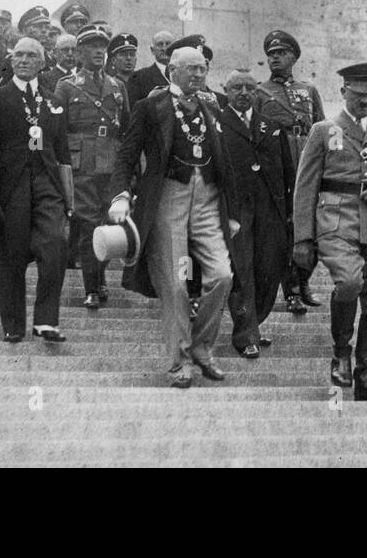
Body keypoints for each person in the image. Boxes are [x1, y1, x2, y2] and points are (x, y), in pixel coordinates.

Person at [109, 44, 239, 389]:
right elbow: (126, 155)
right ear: (173, 70)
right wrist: (121, 194)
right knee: (176, 283)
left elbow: (226, 162)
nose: (199, 74)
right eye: (192, 68)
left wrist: (234, 213)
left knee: (222, 275)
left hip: (208, 200)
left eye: (203, 69)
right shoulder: (151, 105)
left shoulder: (212, 106)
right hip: (169, 199)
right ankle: (178, 361)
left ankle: (202, 347)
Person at [292, 63, 367, 402]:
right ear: (344, 92)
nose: (364, 102)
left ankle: (366, 376)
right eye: (358, 95)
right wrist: (303, 238)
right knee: (348, 282)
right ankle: (341, 353)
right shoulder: (324, 130)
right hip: (336, 221)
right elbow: (305, 186)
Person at [0, 37, 73, 343]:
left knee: (55, 245)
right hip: (10, 184)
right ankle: (13, 324)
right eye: (19, 56)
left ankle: (46, 321)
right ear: (11, 61)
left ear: (42, 62)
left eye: (31, 56)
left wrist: (69, 197)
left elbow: (62, 152)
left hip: (47, 183)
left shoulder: (54, 101)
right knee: (11, 255)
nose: (24, 60)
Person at [220, 69, 295, 358]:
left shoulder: (271, 126)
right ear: (225, 90)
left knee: (268, 269)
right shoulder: (218, 125)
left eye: (249, 88)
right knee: (242, 271)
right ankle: (246, 333)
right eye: (236, 87)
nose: (243, 93)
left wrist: (289, 213)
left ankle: (254, 323)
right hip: (235, 209)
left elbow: (289, 173)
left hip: (270, 209)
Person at [53, 25, 128, 308]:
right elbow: (56, 130)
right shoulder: (66, 86)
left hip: (111, 163)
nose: (99, 52)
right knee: (87, 225)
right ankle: (92, 287)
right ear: (80, 53)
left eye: (102, 47)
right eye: (92, 47)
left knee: (110, 224)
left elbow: (127, 129)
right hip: (81, 164)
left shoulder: (117, 86)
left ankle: (100, 276)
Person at [255, 29, 325, 315]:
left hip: (307, 165)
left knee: (313, 227)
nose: (275, 58)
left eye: (281, 54)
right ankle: (292, 290)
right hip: (278, 167)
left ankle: (304, 280)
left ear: (293, 57)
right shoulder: (261, 92)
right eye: (271, 55)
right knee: (286, 229)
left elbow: (322, 127)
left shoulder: (308, 90)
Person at [126, 30, 175, 106]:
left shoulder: (183, 74)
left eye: (168, 44)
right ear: (152, 50)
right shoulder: (138, 77)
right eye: (160, 44)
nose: (164, 48)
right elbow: (134, 109)